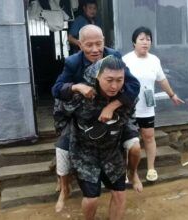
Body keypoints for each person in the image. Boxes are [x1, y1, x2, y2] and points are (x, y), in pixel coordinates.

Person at [52, 24, 143, 213]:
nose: (95, 49)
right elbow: (57, 91)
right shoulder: (73, 63)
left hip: (115, 114)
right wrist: (76, 87)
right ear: (79, 44)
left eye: (99, 44)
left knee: (134, 146)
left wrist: (112, 105)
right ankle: (64, 187)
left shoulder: (114, 58)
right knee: (62, 146)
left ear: (104, 42)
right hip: (83, 111)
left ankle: (133, 174)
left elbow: (134, 86)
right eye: (89, 45)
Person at [122, 26, 184, 182]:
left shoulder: (154, 60)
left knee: (149, 137)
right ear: (134, 42)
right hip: (129, 108)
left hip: (147, 106)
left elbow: (162, 80)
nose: (145, 42)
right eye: (141, 39)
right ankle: (126, 172)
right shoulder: (125, 60)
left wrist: (172, 95)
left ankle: (151, 168)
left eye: (148, 39)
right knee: (129, 140)